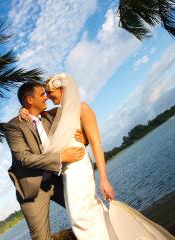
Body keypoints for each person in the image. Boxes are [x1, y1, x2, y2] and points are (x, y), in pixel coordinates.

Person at [19, 73, 175, 240]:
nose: (48, 97)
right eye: (45, 94)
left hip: (80, 169)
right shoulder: (55, 114)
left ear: (62, 89)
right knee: (84, 215)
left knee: (81, 217)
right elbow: (34, 114)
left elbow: (96, 145)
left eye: (50, 93)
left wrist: (104, 179)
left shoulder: (83, 109)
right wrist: (22, 109)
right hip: (67, 173)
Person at [4, 81, 88, 240]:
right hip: (32, 191)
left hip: (58, 181)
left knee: (84, 212)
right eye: (42, 94)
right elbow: (24, 158)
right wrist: (61, 157)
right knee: (41, 238)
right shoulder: (13, 126)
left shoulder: (51, 116)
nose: (46, 98)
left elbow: (78, 110)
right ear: (30, 100)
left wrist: (84, 138)